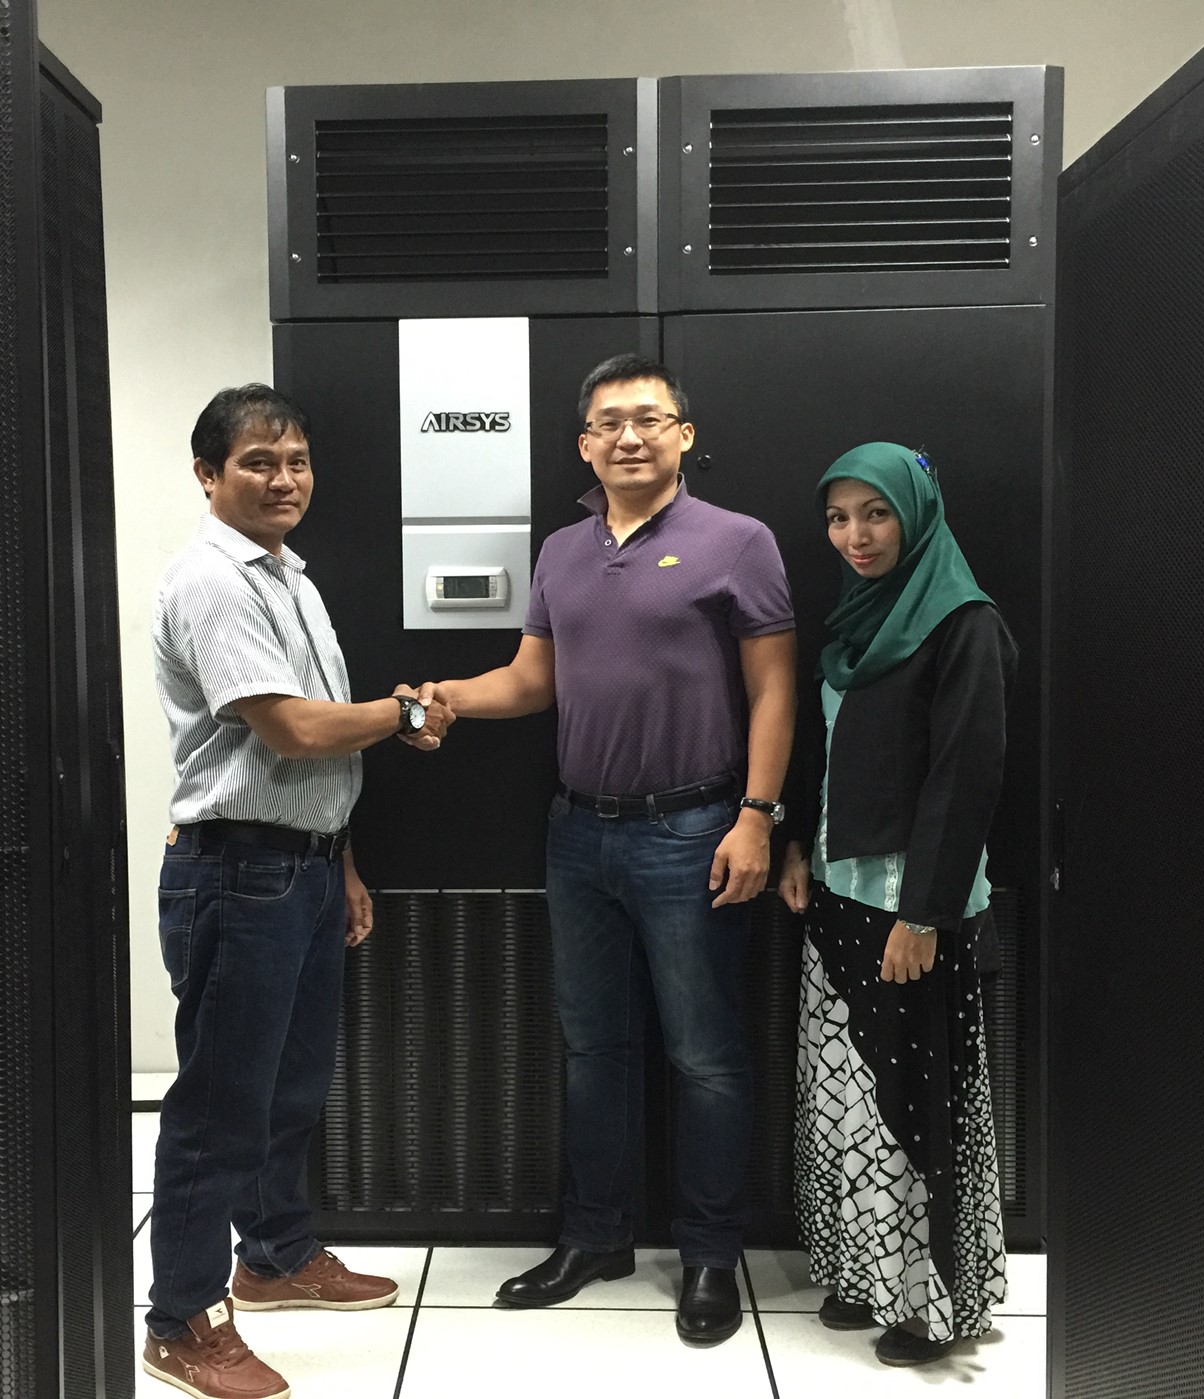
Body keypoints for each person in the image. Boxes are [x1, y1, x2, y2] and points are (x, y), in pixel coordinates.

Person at [420, 354, 798, 1345]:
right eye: (608, 423)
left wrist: (757, 816)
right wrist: (447, 697)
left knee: (705, 1055)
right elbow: (530, 680)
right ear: (584, 444)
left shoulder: (739, 541)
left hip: (695, 830)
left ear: (683, 434)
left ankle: (708, 1254)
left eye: (648, 418)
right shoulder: (561, 550)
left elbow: (774, 688)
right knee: (593, 1048)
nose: (629, 437)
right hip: (578, 832)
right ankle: (595, 1236)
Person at [142, 384, 453, 1399]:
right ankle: (180, 1319)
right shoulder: (212, 582)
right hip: (237, 874)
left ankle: (273, 1257)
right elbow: (292, 728)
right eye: (257, 462)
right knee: (219, 1102)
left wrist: (341, 860)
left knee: (291, 1085)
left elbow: (317, 748)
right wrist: (405, 712)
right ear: (207, 474)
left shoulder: (289, 575)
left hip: (301, 868)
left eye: (296, 461)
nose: (284, 480)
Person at [776, 442, 1014, 1367]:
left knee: (915, 1102)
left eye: (875, 513)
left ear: (915, 514)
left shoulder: (962, 622)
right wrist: (798, 844)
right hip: (839, 894)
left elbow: (964, 779)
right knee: (847, 1094)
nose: (856, 535)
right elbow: (827, 751)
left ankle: (928, 1304)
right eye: (838, 518)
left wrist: (923, 915)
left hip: (910, 910)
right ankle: (866, 1271)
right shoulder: (855, 620)